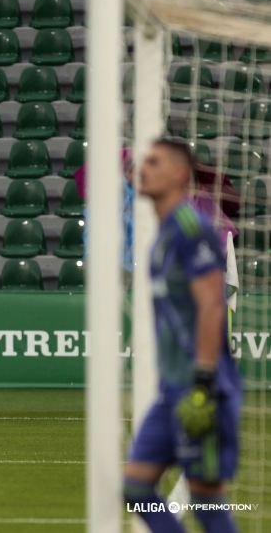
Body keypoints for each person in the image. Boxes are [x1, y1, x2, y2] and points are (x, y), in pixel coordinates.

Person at [123, 139, 241, 533]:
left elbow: (211, 304)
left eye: (153, 162)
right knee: (137, 485)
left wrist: (204, 380)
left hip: (200, 387)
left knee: (206, 498)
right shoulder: (162, 238)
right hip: (171, 389)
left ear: (179, 172)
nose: (143, 169)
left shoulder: (192, 229)